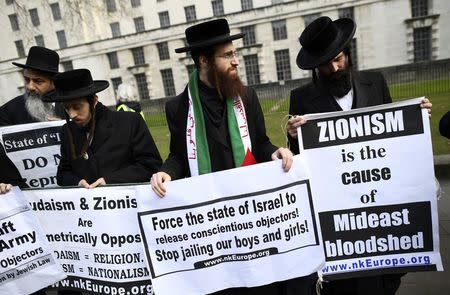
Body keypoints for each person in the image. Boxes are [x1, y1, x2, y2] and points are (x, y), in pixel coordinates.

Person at [151, 18, 316, 295]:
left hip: (249, 216)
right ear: (204, 60)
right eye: (227, 55)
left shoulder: (246, 97)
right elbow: (179, 156)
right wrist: (166, 171)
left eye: (234, 53)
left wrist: (275, 151)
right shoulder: (177, 107)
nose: (236, 61)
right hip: (212, 224)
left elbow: (260, 143)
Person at [287, 16, 432, 295]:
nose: (334, 67)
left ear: (347, 53)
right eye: (325, 64)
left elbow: (395, 141)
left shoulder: (375, 83)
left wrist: (416, 118)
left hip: (378, 210)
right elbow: (297, 162)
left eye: (338, 58)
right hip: (337, 217)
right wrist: (294, 139)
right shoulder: (301, 97)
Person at [42, 69, 162, 188]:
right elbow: (63, 174)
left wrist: (109, 181)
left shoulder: (130, 122)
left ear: (94, 100)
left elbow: (151, 166)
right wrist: (78, 182)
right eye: (67, 108)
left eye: (77, 107)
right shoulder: (67, 131)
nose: (72, 114)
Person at [0, 46, 65, 126]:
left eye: (38, 81)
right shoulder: (8, 112)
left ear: (53, 82)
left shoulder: (71, 106)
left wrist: (64, 127)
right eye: (27, 80)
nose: (30, 87)